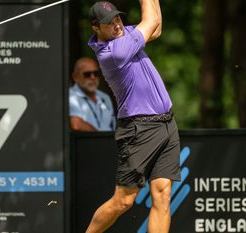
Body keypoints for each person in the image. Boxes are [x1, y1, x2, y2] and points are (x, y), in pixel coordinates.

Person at [86, 1, 181, 233]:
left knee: (163, 194)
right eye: (110, 23)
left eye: (118, 18)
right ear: (96, 28)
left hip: (167, 123)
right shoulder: (114, 52)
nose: (117, 25)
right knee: (124, 201)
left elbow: (155, 27)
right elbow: (150, 21)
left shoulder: (124, 34)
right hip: (140, 129)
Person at [69, 57, 116, 132]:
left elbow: (113, 126)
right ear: (75, 77)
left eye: (96, 73)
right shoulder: (70, 96)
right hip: (87, 143)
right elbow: (76, 124)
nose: (93, 77)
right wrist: (100, 138)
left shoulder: (105, 97)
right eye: (87, 74)